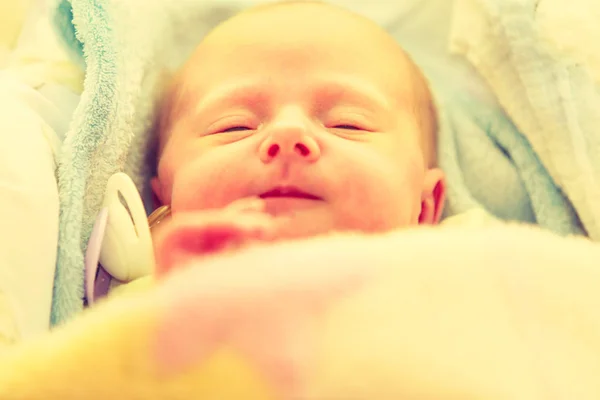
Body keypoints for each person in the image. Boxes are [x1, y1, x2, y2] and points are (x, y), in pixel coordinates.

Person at [149, 0, 446, 274]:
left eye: (348, 124)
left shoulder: (463, 271)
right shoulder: (138, 297)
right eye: (234, 127)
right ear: (163, 203)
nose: (288, 132)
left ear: (423, 207)